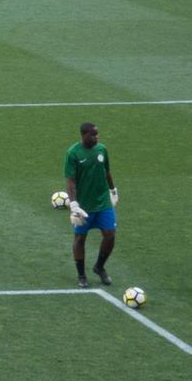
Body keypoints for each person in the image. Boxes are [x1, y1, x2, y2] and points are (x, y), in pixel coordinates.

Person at [64, 121, 119, 288]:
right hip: (84, 205)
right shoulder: (73, 153)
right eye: (93, 135)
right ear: (84, 135)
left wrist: (113, 190)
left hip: (102, 202)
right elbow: (71, 181)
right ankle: (81, 275)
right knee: (80, 238)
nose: (97, 137)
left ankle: (99, 267)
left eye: (97, 134)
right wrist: (74, 203)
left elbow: (107, 171)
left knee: (110, 234)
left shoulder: (102, 149)